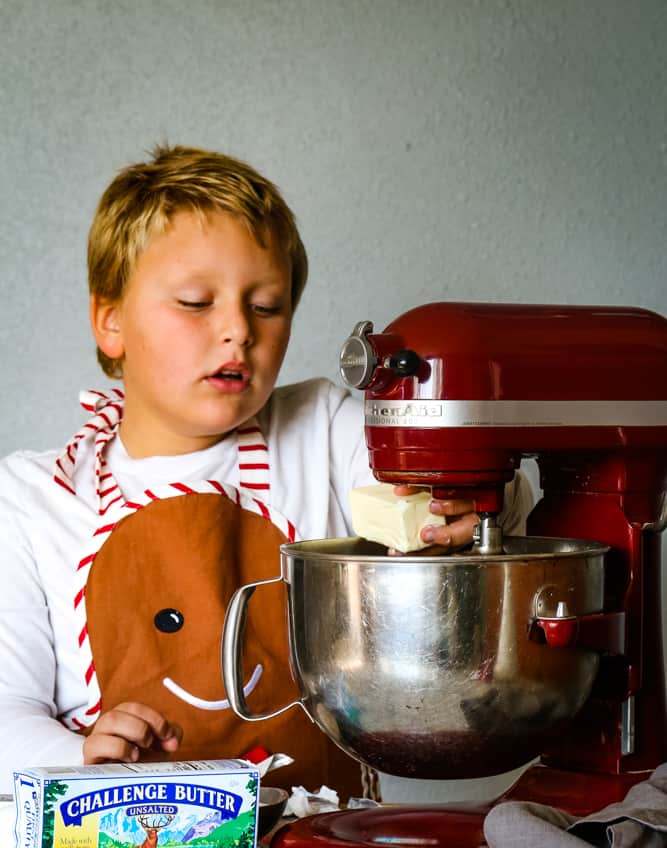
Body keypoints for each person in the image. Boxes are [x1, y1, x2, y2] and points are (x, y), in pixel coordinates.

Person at [0, 144, 533, 800]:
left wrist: (459, 504)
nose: (237, 331)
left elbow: (493, 508)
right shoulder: (34, 498)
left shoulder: (323, 428)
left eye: (267, 306)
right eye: (195, 302)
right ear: (110, 322)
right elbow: (6, 710)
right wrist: (81, 757)